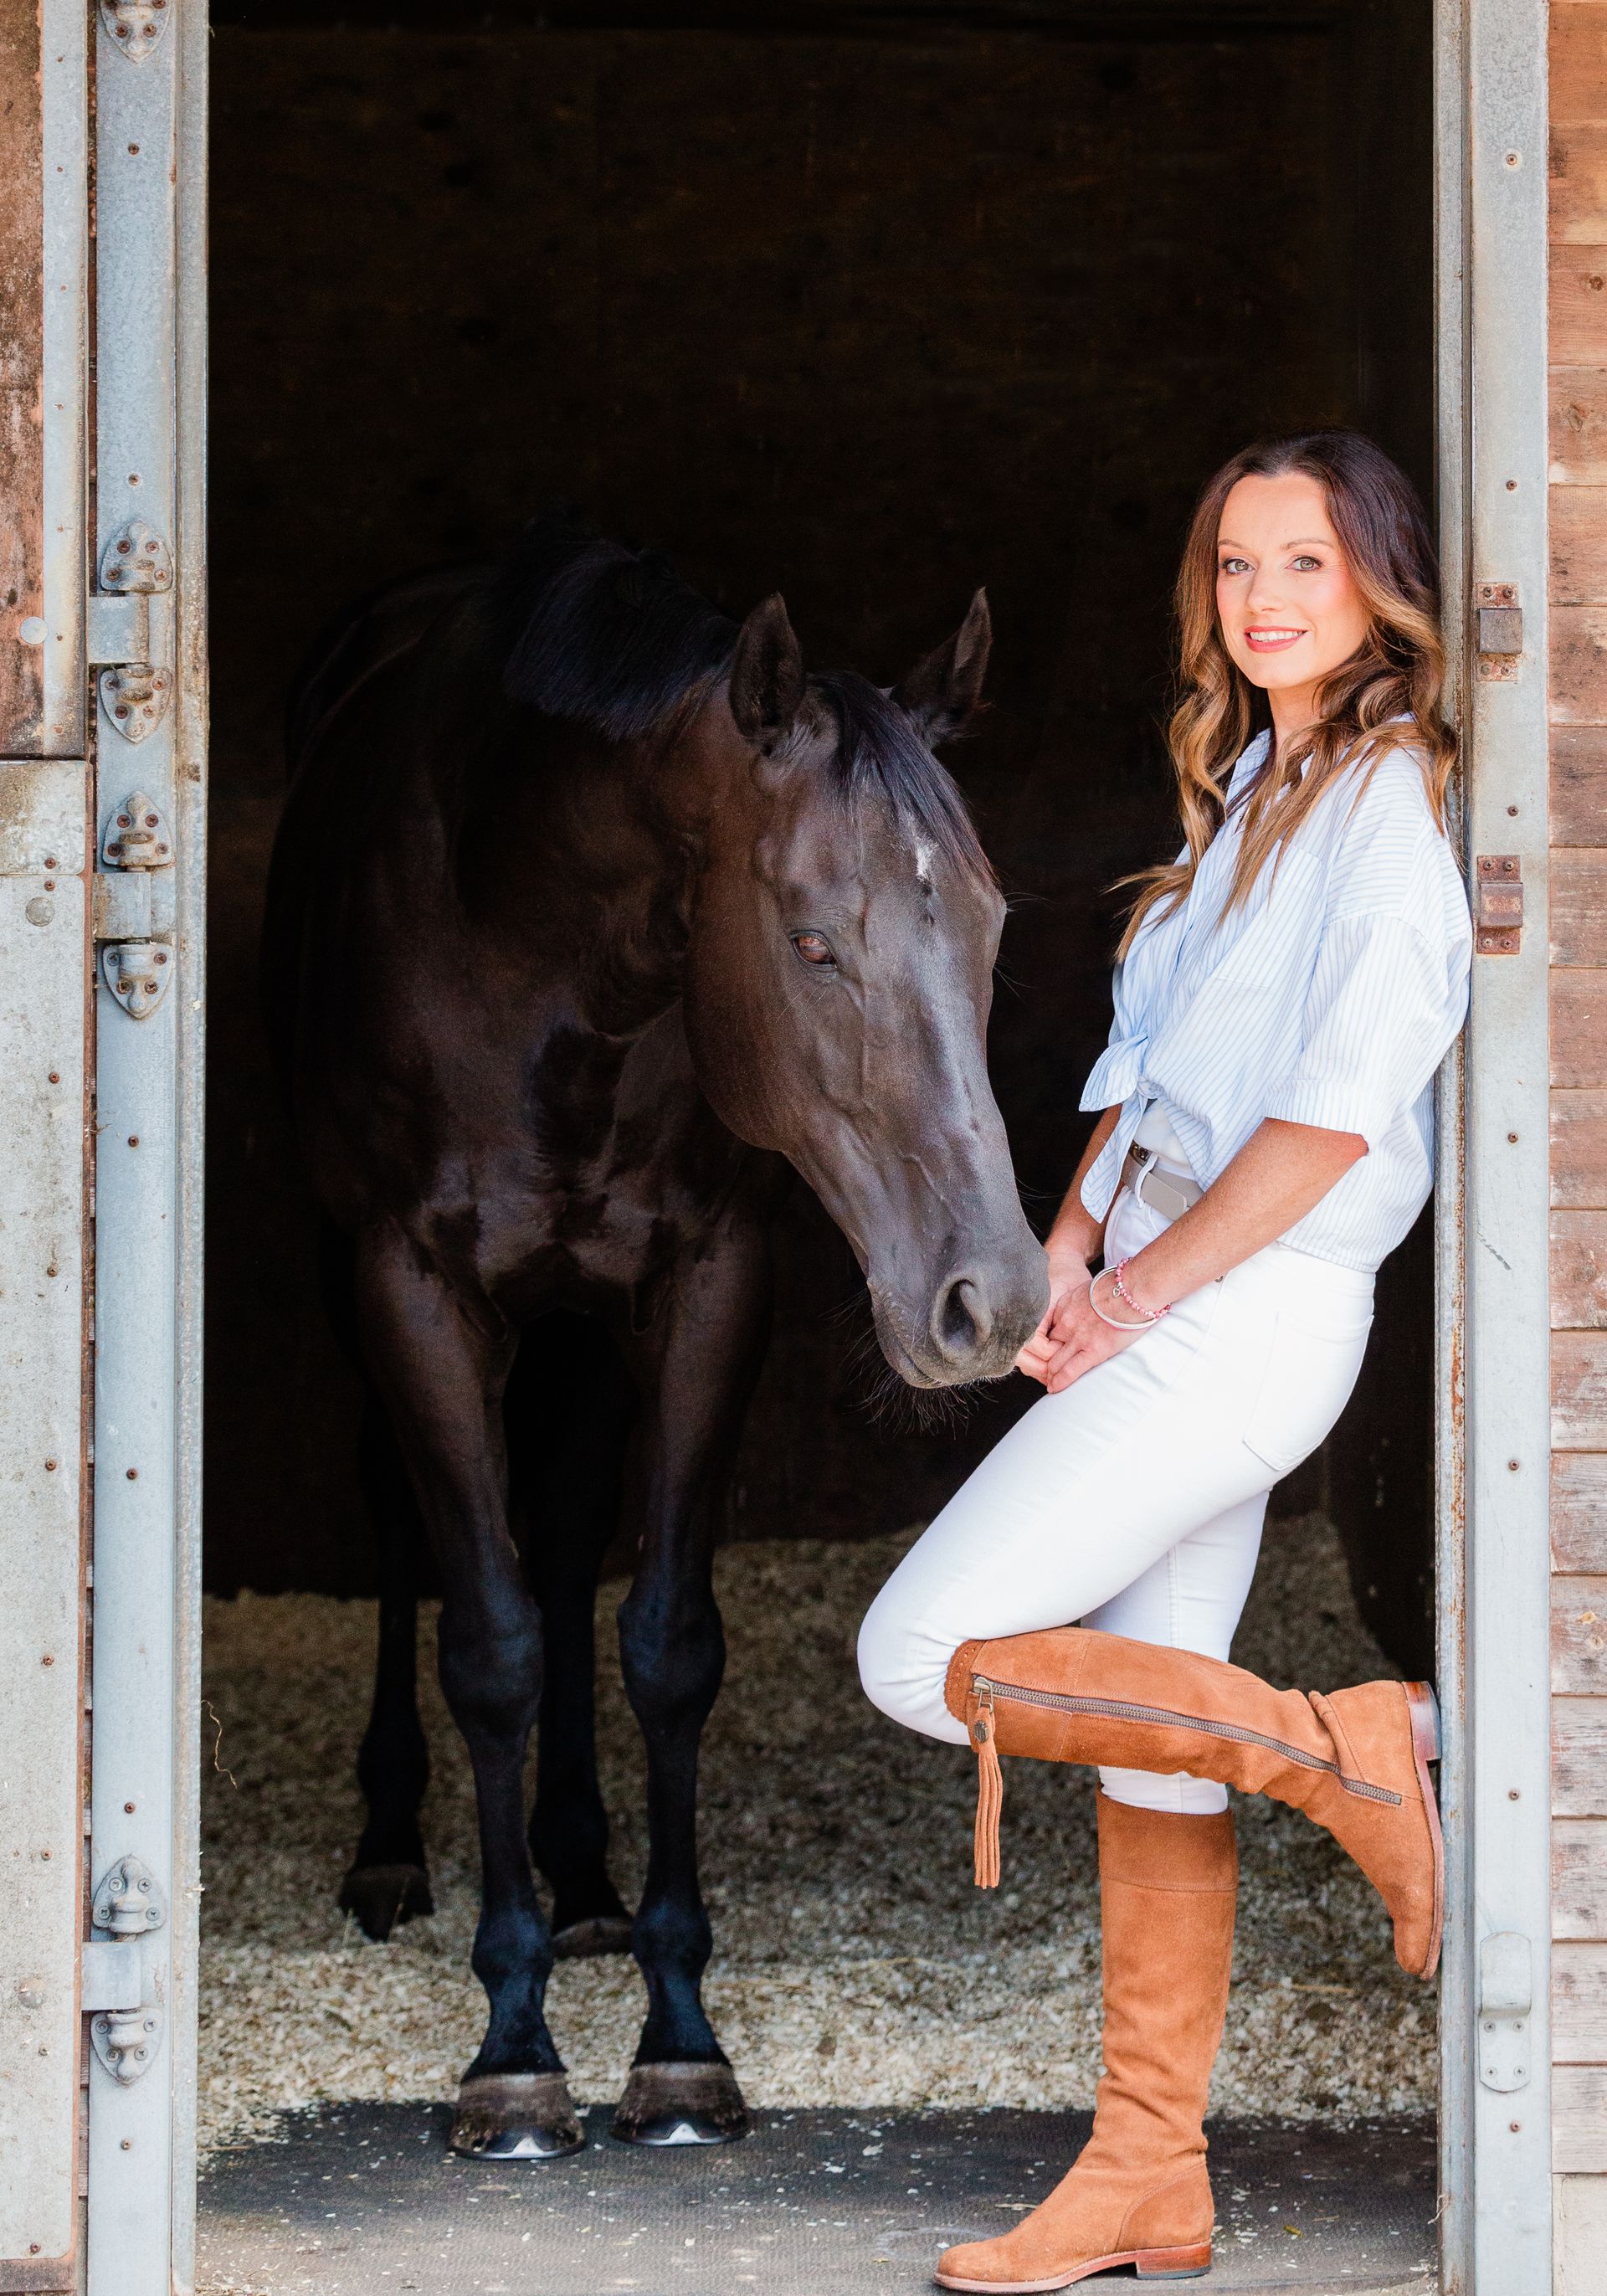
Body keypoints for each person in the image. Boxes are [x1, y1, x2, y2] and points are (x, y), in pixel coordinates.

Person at [857, 429, 1472, 2293]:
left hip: (1253, 1312)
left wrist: (1137, 1296)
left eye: (1306, 563)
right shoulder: (1245, 790)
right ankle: (1149, 2171)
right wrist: (1068, 1235)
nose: (1267, 600)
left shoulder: (1389, 803)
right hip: (1164, 1281)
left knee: (913, 1655)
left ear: (1382, 583)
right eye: (1236, 567)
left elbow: (1328, 1125)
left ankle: (1348, 1747)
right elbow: (1158, 1082)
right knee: (1158, 1751)